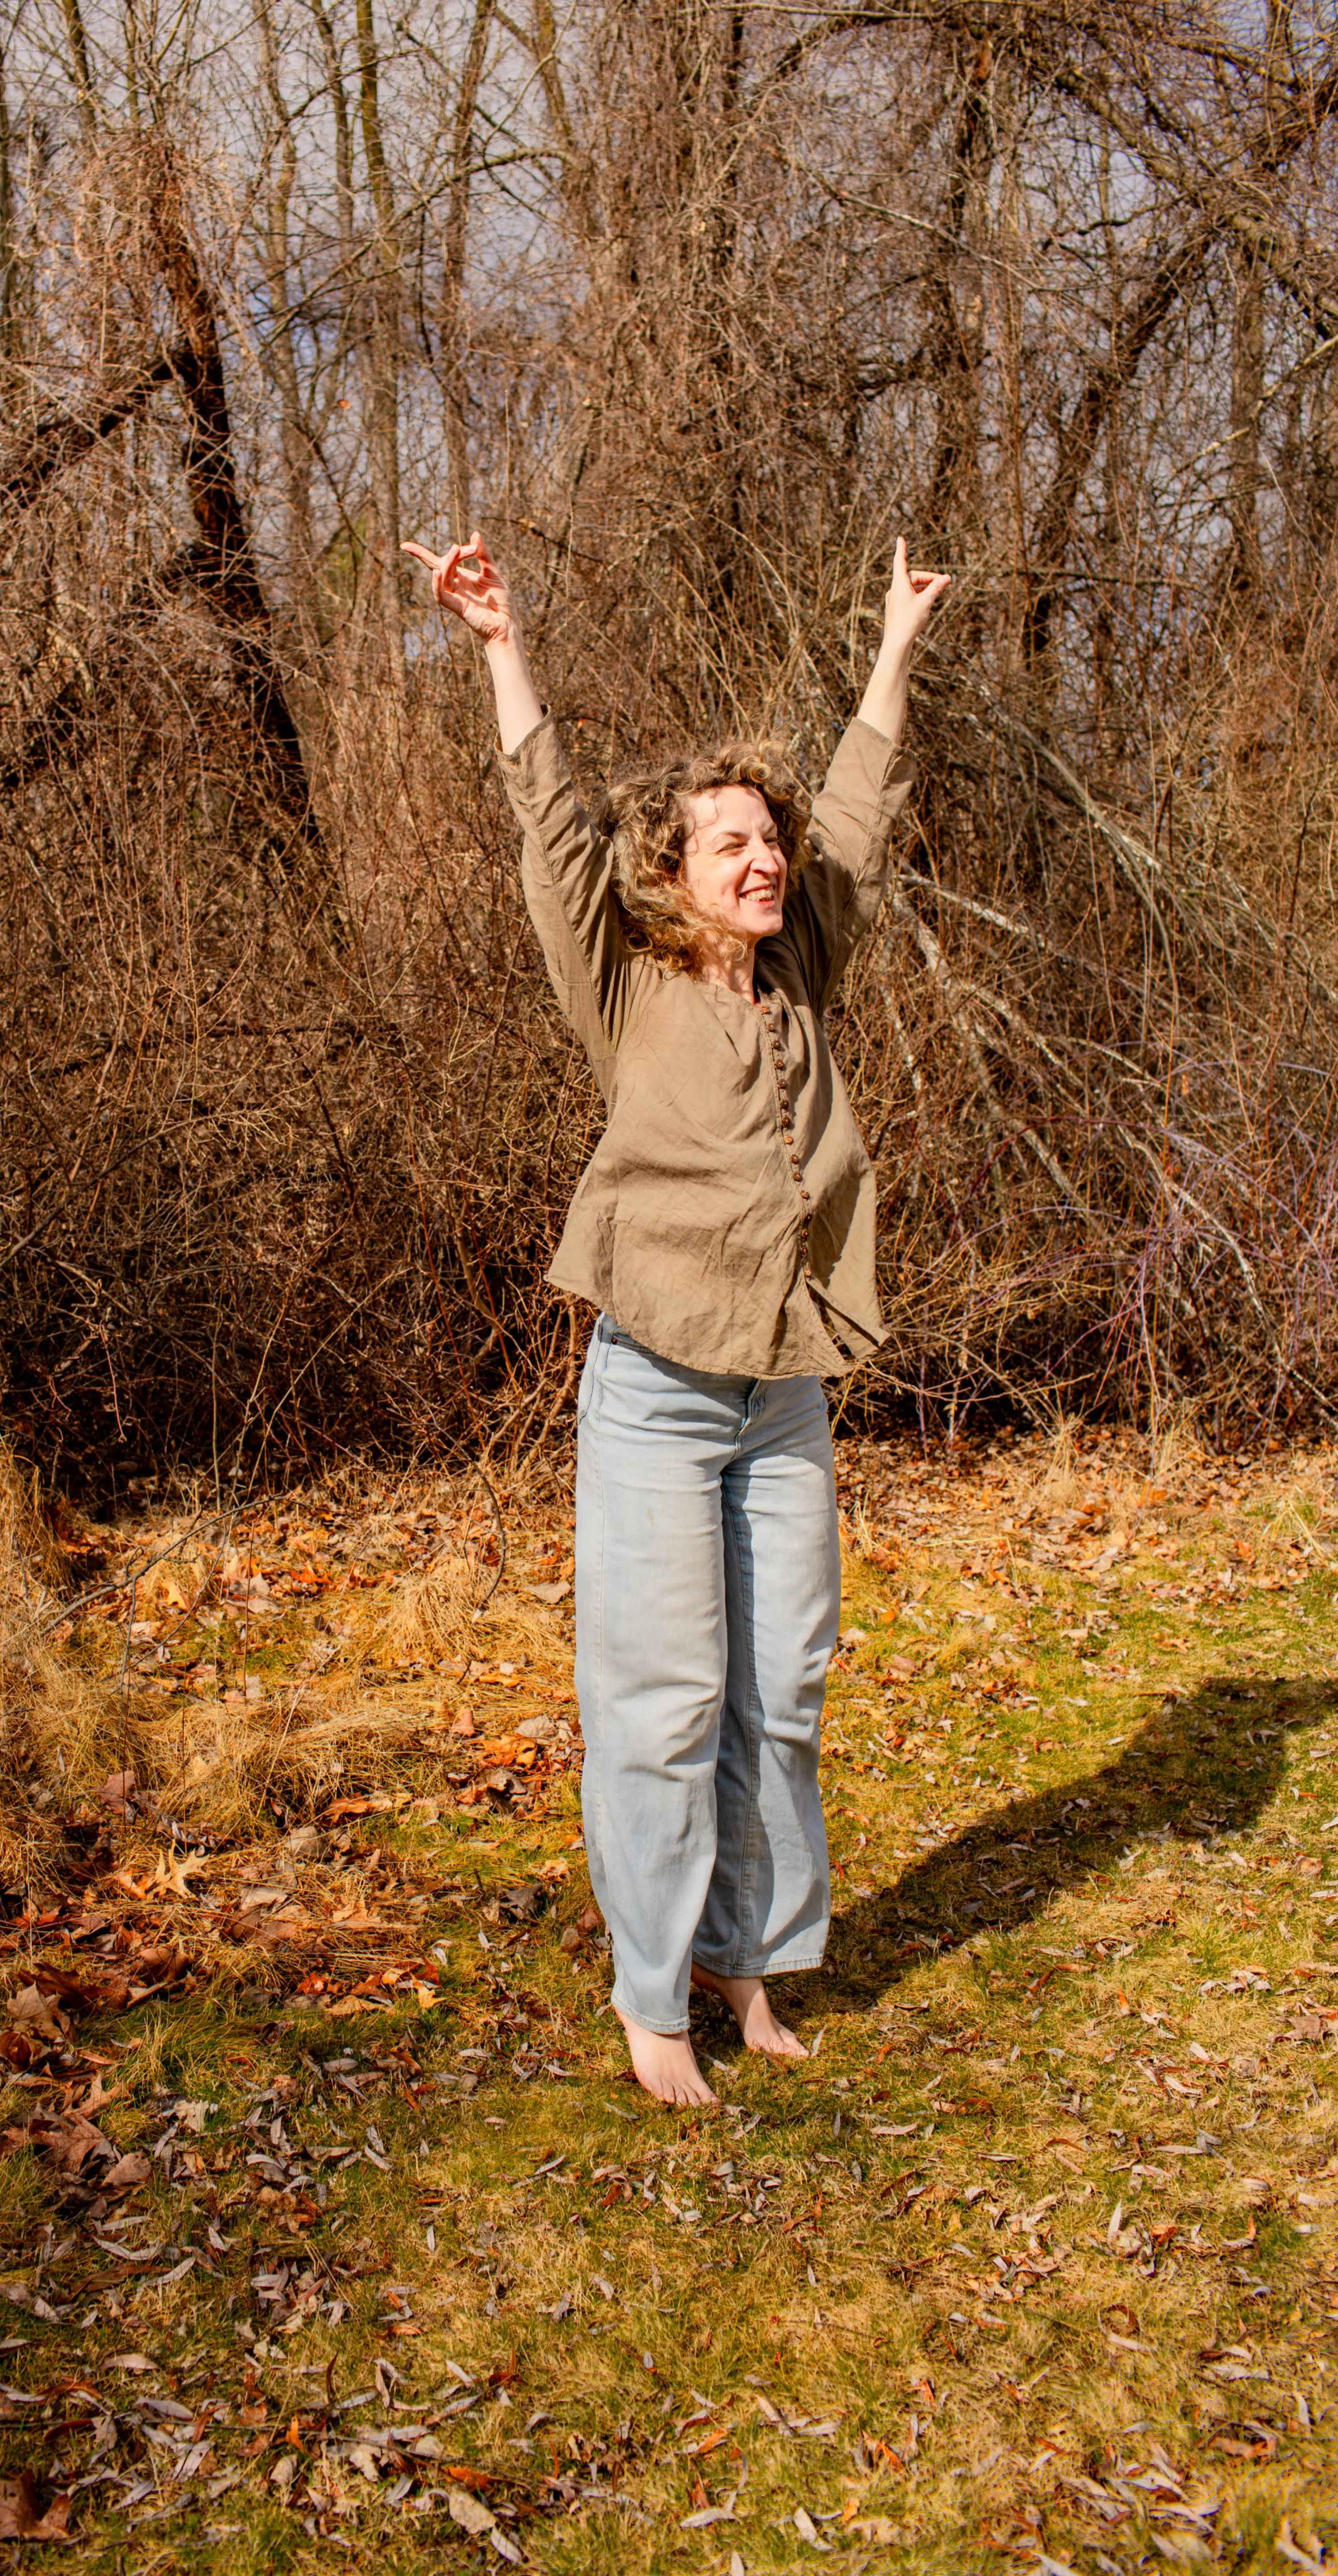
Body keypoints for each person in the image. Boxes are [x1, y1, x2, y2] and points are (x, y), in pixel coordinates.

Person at [402, 530, 949, 2106]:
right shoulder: (624, 980)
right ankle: (655, 1998)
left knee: (782, 1685)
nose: (764, 857)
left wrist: (894, 652)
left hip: (784, 1388)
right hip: (652, 1382)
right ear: (675, 871)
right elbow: (551, 832)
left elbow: (855, 812)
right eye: (729, 843)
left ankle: (751, 1962)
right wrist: (502, 646)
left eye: (766, 838)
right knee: (659, 1697)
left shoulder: (807, 971)